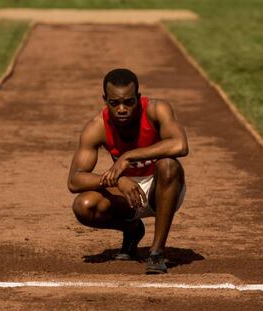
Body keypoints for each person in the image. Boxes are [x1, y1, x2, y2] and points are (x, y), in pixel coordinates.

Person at [67, 68, 189, 274]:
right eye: (114, 103)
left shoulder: (157, 109)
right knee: (84, 206)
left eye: (128, 102)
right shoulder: (96, 127)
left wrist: (128, 156)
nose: (122, 109)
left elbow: (180, 145)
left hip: (164, 186)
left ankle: (157, 252)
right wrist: (118, 181)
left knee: (168, 164)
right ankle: (132, 230)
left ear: (138, 98)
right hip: (127, 194)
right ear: (105, 100)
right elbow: (75, 181)